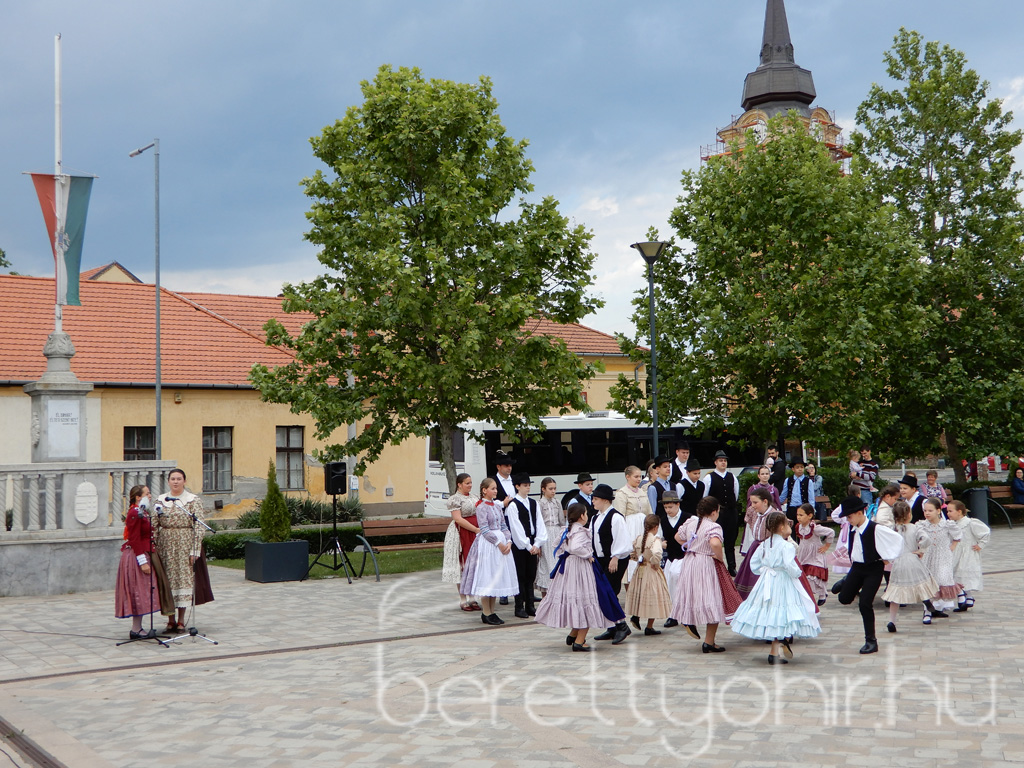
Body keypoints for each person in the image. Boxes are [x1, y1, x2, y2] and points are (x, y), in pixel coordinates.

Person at [730, 511, 821, 665]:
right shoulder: (787, 546)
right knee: (783, 610)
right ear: (781, 527)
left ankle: (776, 649)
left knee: (771, 610)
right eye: (787, 524)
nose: (789, 526)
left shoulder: (765, 544)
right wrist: (797, 573)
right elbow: (789, 565)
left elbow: (754, 564)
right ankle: (780, 644)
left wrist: (764, 571)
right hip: (782, 581)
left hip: (767, 581)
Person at [534, 504, 622, 652]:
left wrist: (566, 554)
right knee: (586, 601)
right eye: (586, 513)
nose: (587, 516)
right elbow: (576, 547)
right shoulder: (580, 531)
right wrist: (588, 555)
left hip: (569, 568)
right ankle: (579, 642)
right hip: (580, 568)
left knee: (577, 600)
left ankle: (573, 634)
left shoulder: (567, 530)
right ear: (582, 516)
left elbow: (556, 545)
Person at [836, 495, 905, 654]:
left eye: (850, 516)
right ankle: (845, 581)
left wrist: (888, 557)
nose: (848, 520)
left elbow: (897, 540)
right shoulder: (853, 529)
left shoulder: (876, 528)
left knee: (865, 604)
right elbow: (853, 548)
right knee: (844, 599)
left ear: (860, 513)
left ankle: (871, 641)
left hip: (873, 569)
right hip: (857, 568)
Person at [669, 496, 737, 652]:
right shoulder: (713, 526)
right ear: (714, 512)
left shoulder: (691, 522)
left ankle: (688, 620)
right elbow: (715, 543)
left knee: (692, 594)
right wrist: (719, 557)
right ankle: (709, 641)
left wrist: (691, 546)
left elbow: (678, 537)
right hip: (705, 563)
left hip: (690, 561)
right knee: (712, 599)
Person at [156, 469, 209, 633]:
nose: (176, 482)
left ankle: (180, 620)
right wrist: (152, 545)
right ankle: (170, 620)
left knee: (182, 581)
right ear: (168, 481)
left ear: (184, 481)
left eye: (179, 479)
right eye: (173, 479)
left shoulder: (192, 500)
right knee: (168, 581)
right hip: (165, 545)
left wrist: (195, 549)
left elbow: (199, 525)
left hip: (185, 544)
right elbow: (154, 523)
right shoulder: (161, 500)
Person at [459, 478, 518, 625]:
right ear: (484, 490)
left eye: (496, 488)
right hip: (489, 545)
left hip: (501, 544)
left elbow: (503, 526)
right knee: (488, 576)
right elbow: (484, 529)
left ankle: (492, 611)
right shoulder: (481, 507)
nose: (495, 491)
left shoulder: (497, 506)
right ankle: (486, 612)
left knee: (496, 576)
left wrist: (508, 541)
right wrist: (498, 543)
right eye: (492, 488)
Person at [880, 500, 939, 633]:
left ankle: (892, 621)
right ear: (909, 515)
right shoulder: (915, 528)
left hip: (899, 562)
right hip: (913, 559)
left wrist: (887, 557)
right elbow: (927, 539)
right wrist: (920, 550)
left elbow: (885, 543)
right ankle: (926, 601)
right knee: (921, 584)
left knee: (896, 591)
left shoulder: (891, 529)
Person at [589, 484, 632, 645]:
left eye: (596, 499)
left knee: (609, 592)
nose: (593, 501)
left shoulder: (616, 517)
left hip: (615, 559)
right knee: (603, 592)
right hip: (601, 559)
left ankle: (622, 625)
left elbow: (622, 539)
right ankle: (612, 626)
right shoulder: (595, 517)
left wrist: (615, 557)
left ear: (605, 500)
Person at [115, 485, 160, 639]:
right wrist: (142, 562)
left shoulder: (142, 512)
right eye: (147, 493)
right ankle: (135, 629)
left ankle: (138, 627)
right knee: (137, 591)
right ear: (138, 497)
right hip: (136, 556)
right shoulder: (135, 513)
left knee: (142, 590)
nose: (150, 495)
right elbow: (134, 538)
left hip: (143, 552)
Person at [625, 514, 673, 636]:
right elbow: (657, 553)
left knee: (640, 593)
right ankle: (649, 626)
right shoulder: (655, 540)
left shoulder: (639, 538)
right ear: (656, 527)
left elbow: (631, 552)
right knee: (653, 596)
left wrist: (638, 558)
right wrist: (654, 563)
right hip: (650, 570)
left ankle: (636, 616)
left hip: (639, 569)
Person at [508, 473, 547, 619]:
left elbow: (539, 523)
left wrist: (537, 543)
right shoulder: (513, 505)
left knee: (531, 574)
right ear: (517, 486)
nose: (528, 488)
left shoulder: (533, 503)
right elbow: (515, 528)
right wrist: (527, 545)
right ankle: (519, 606)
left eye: (529, 485)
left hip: (532, 542)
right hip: (520, 545)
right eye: (525, 485)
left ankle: (530, 605)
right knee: (520, 575)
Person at [440, 473, 481, 611]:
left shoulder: (474, 497)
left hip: (475, 532)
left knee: (474, 564)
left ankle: (472, 597)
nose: (470, 485)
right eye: (467, 483)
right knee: (462, 564)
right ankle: (463, 599)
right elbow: (458, 519)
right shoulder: (455, 499)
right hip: (461, 532)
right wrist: (475, 529)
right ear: (459, 484)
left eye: (470, 483)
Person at [917, 497, 961, 618]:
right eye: (925, 510)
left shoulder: (946, 525)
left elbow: (957, 535)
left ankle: (938, 607)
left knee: (942, 579)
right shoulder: (922, 525)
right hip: (928, 556)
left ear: (938, 510)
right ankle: (927, 611)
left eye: (930, 510)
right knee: (928, 581)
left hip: (943, 557)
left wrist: (952, 546)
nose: (927, 513)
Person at [613, 465, 654, 585]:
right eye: (636, 477)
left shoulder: (642, 492)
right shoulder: (622, 493)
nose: (639, 479)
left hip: (643, 527)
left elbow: (649, 511)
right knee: (632, 560)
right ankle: (630, 589)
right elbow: (620, 516)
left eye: (640, 476)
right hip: (630, 528)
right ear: (628, 477)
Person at [947, 499, 990, 612]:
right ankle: (966, 596)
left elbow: (985, 532)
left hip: (968, 553)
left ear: (959, 511)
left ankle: (964, 595)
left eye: (951, 511)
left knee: (964, 574)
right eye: (947, 511)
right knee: (955, 573)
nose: (948, 514)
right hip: (955, 552)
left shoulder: (970, 523)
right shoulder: (951, 524)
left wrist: (980, 545)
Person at [702, 450, 740, 576]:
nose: (723, 463)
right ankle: (716, 566)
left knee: (730, 540)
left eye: (724, 461)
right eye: (720, 461)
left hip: (730, 512)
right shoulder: (709, 478)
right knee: (715, 539)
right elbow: (705, 496)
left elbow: (735, 493)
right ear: (715, 462)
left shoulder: (732, 477)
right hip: (716, 514)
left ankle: (732, 566)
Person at [733, 487, 775, 599]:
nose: (752, 505)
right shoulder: (753, 512)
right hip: (755, 548)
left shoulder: (774, 515)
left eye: (755, 502)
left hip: (768, 550)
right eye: (751, 502)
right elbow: (751, 526)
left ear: (765, 501)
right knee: (749, 574)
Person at [794, 503, 834, 606]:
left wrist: (826, 546)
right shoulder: (798, 527)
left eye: (801, 515)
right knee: (804, 576)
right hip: (803, 555)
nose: (798, 517)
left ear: (810, 515)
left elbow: (831, 532)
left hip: (815, 555)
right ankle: (807, 597)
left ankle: (822, 594)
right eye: (797, 515)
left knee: (814, 576)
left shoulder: (815, 528)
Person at [657, 491, 688, 626]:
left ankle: (686, 613)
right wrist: (661, 543)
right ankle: (673, 614)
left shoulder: (688, 518)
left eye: (670, 507)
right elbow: (658, 537)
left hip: (685, 557)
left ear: (678, 504)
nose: (668, 510)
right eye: (665, 507)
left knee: (684, 584)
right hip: (671, 557)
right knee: (670, 585)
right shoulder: (663, 521)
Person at [535, 478, 564, 598]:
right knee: (546, 564)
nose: (553, 491)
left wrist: (563, 536)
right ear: (543, 489)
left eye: (554, 489)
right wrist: (538, 543)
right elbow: (538, 523)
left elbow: (562, 521)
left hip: (556, 533)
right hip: (545, 534)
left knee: (557, 562)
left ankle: (558, 594)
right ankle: (546, 596)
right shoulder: (539, 503)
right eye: (550, 489)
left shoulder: (557, 502)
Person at [742, 466, 781, 555]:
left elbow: (777, 504)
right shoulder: (753, 488)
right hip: (755, 517)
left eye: (767, 474)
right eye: (762, 474)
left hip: (769, 516)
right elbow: (749, 504)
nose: (765, 476)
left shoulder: (773, 489)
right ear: (758, 475)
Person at [780, 458, 812, 525]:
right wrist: (777, 503)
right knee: (791, 527)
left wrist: (811, 510)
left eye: (802, 467)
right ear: (793, 469)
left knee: (803, 527)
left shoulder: (808, 481)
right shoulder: (788, 480)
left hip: (803, 509)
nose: (800, 469)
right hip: (791, 508)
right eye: (797, 467)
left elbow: (811, 497)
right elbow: (783, 495)